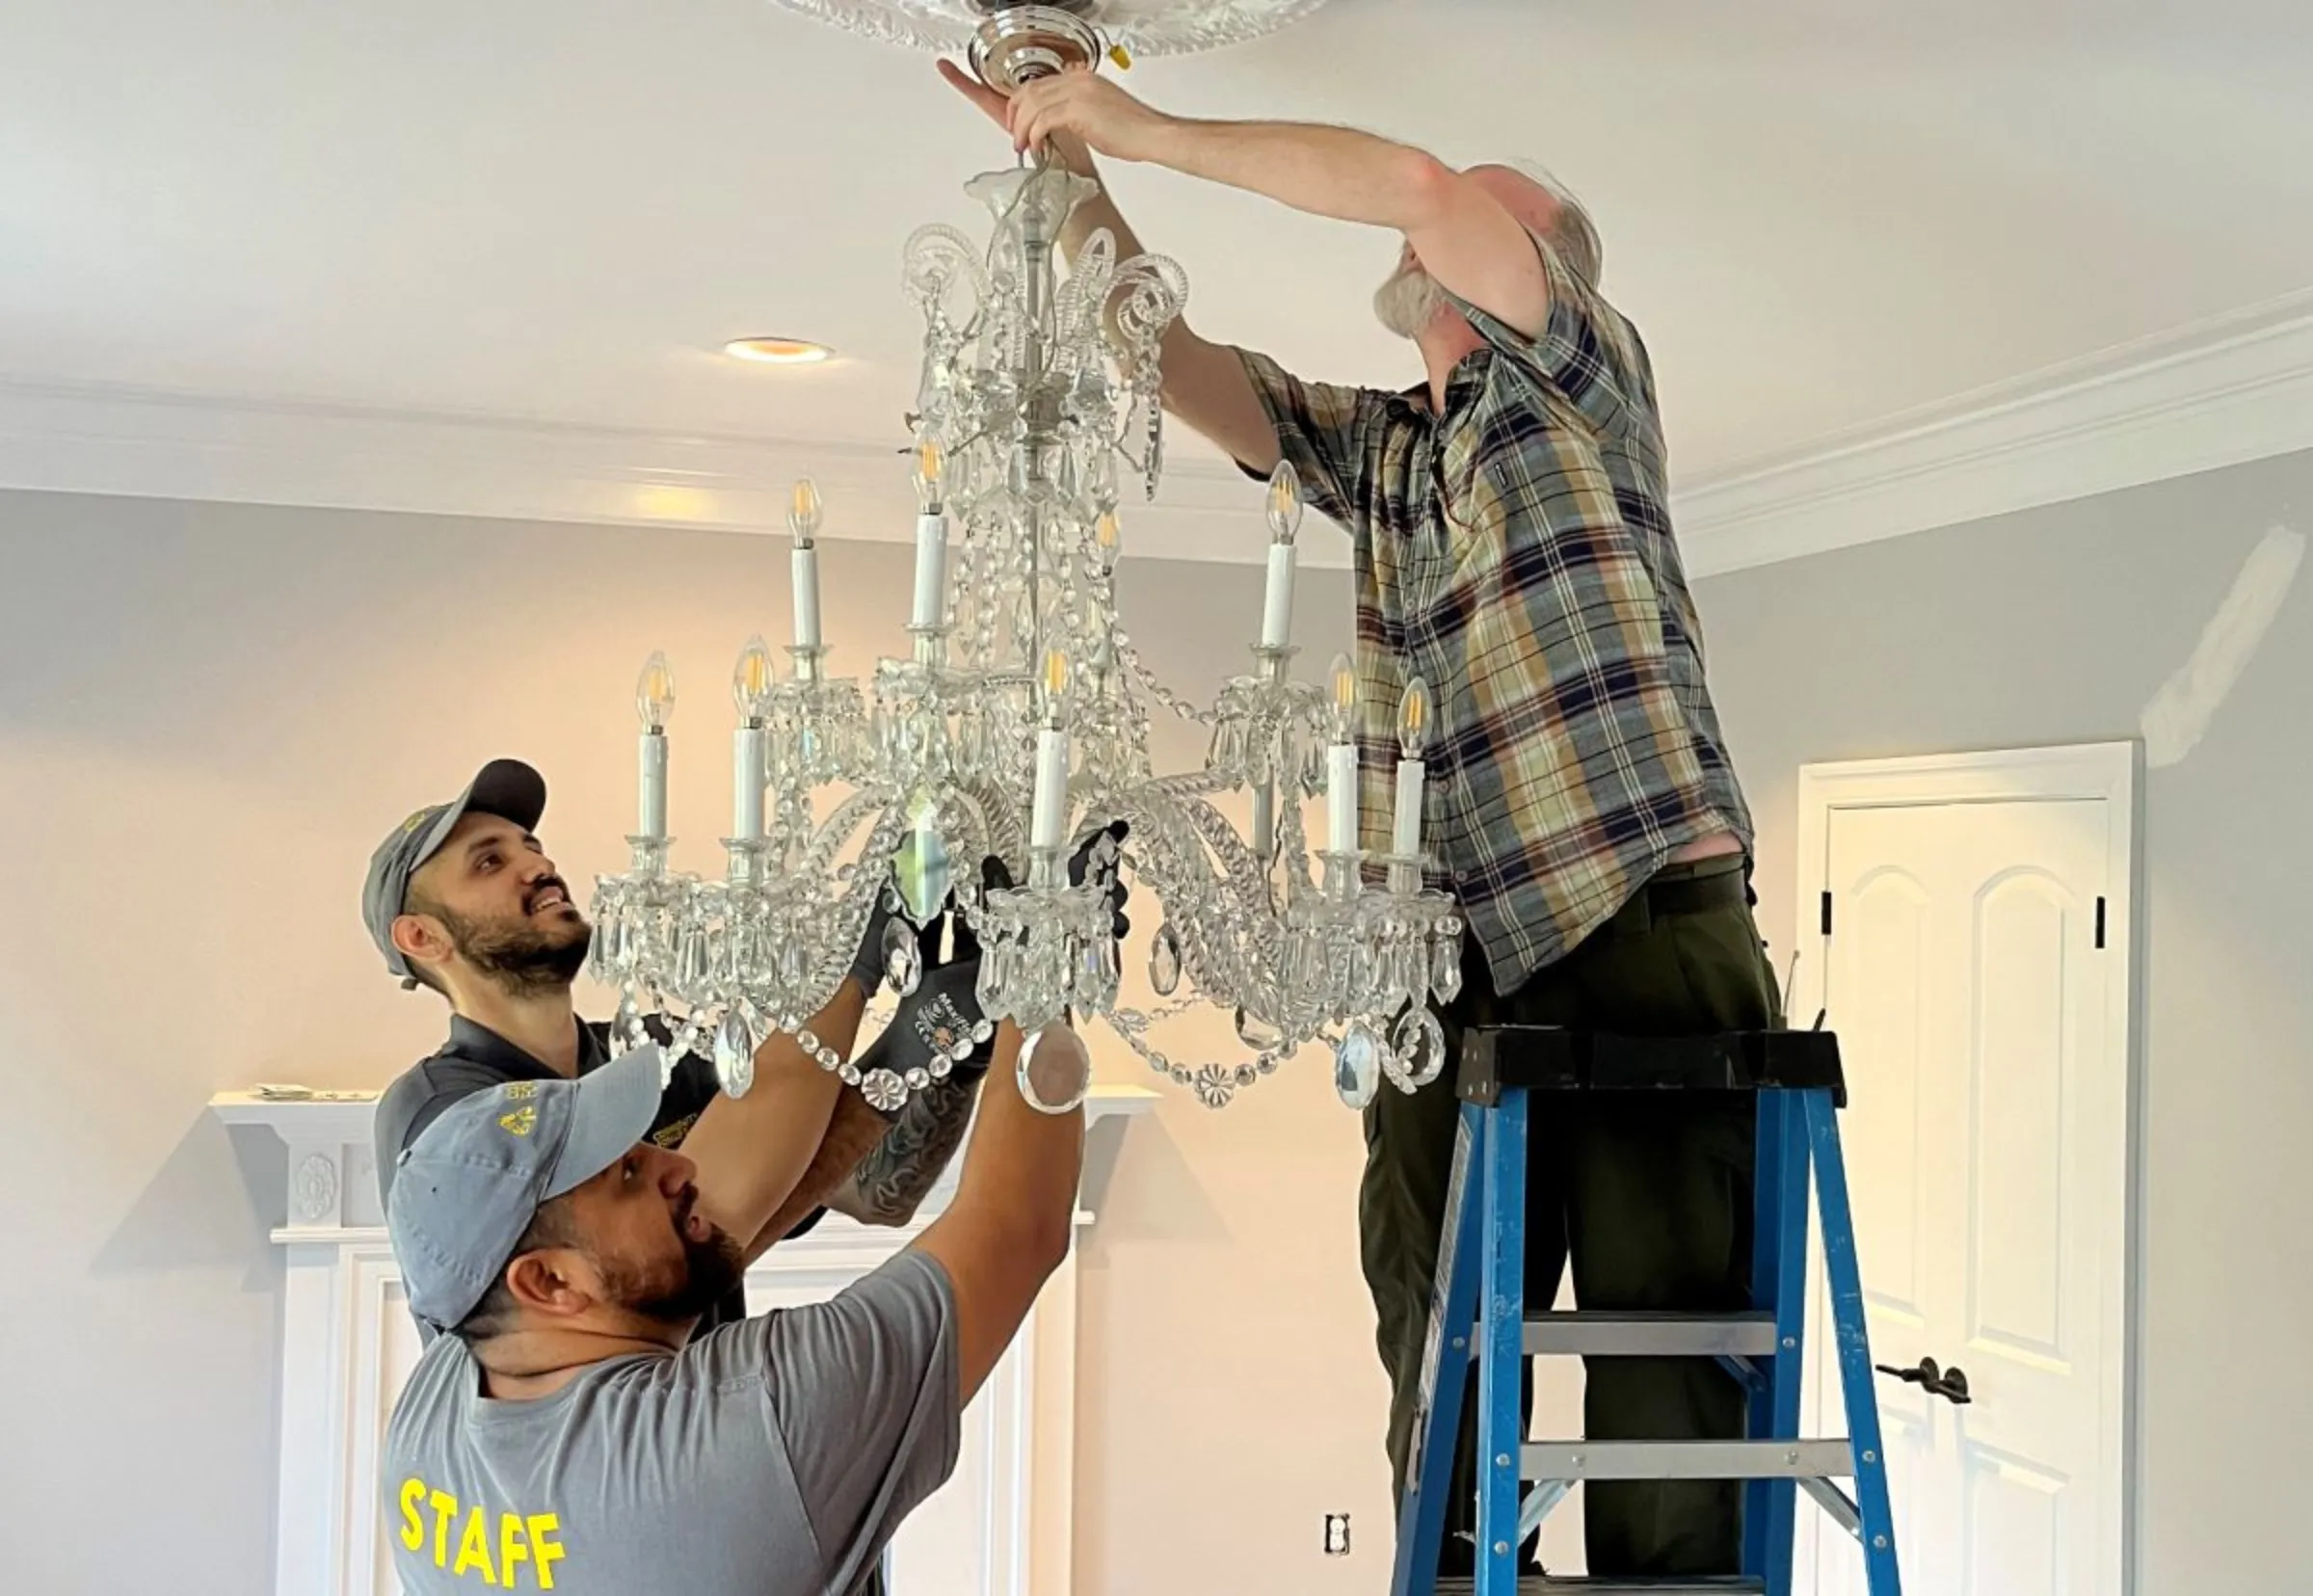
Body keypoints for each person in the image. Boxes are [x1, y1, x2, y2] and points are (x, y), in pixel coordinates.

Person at [940, 64, 1780, 1580]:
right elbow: (1175, 361)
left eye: (1478, 224)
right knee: (1438, 1329)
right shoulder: (1387, 450)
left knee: (1662, 1355)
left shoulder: (1581, 372)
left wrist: (1142, 122)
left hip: (1637, 916)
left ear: (1541, 270)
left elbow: (1410, 185)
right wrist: (1071, 171)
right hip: (1437, 960)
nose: (1432, 241)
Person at [377, 950, 1100, 1594]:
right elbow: (1015, 1227)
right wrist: (1039, 966)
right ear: (550, 1284)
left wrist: (902, 1030)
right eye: (628, 1173)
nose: (679, 1161)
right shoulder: (754, 1423)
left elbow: (704, 1232)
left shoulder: (435, 1409)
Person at [362, 758, 997, 1345]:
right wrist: (853, 967)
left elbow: (874, 1189)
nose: (537, 865)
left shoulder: (651, 1053)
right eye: (488, 863)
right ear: (422, 936)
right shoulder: (442, 1113)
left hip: (695, 1428)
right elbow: (667, 1259)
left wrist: (944, 1043)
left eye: (531, 846)